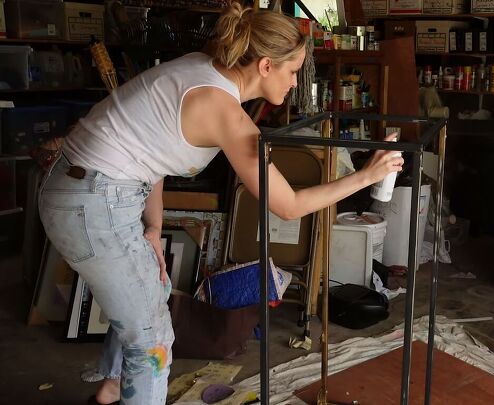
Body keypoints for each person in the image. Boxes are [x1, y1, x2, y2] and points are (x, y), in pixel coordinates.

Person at [38, 3, 403, 404]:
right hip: (92, 203)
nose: (296, 81)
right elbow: (289, 205)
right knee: (153, 342)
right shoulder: (224, 111)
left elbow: (150, 147)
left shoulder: (202, 68)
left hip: (89, 191)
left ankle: (110, 393)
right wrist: (366, 176)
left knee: (152, 291)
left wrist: (154, 229)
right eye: (293, 70)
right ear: (265, 66)